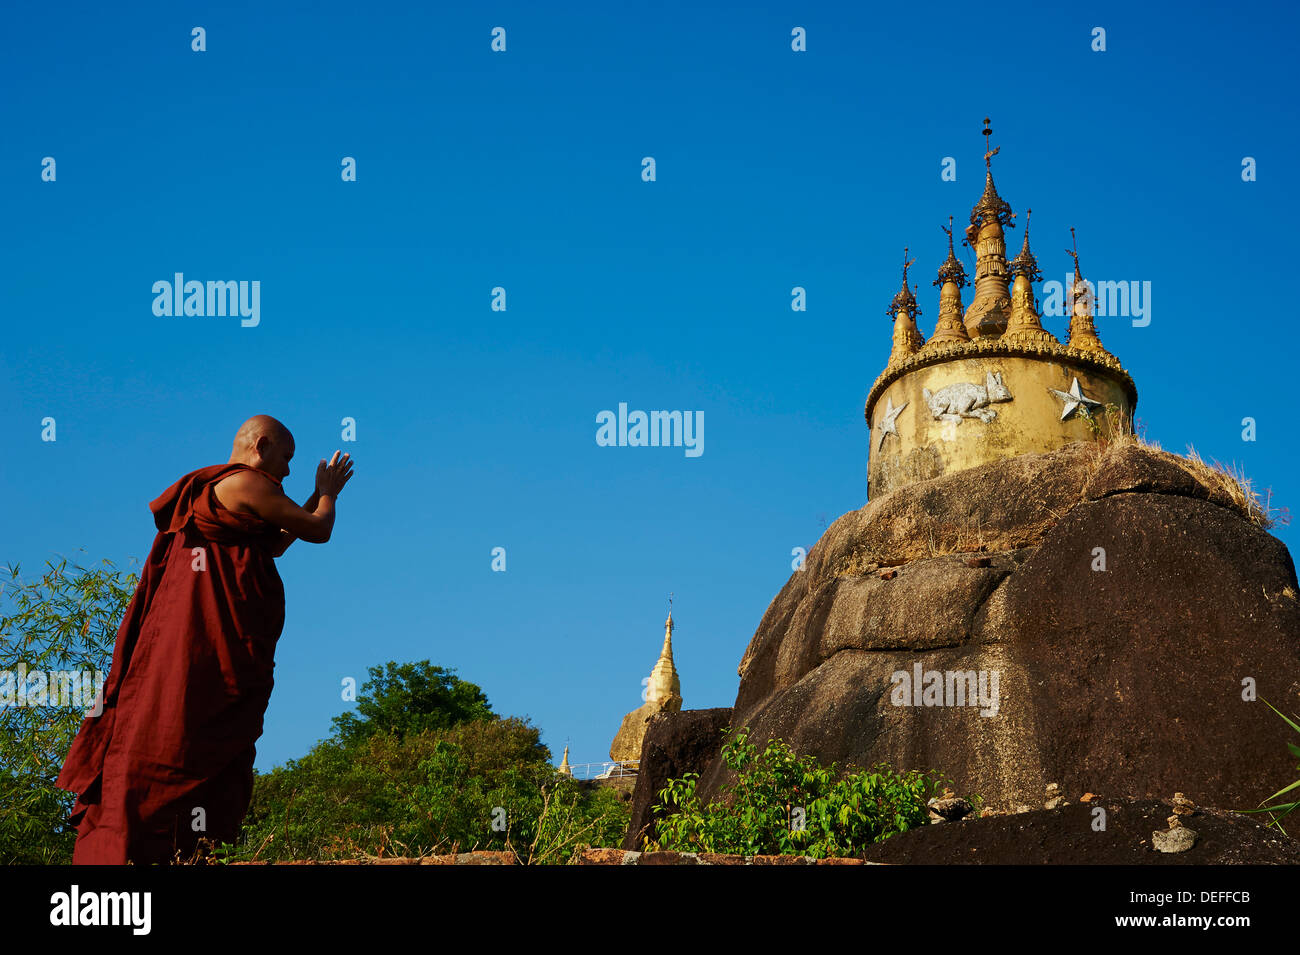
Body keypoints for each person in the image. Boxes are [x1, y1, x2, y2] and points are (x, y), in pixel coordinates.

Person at [54, 414, 354, 864]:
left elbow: (274, 542)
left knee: (192, 730)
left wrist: (315, 498)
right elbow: (318, 530)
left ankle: (175, 846)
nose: (289, 471)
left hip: (214, 637)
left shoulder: (235, 492)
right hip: (209, 640)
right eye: (286, 458)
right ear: (262, 445)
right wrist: (327, 493)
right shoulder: (247, 483)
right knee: (185, 730)